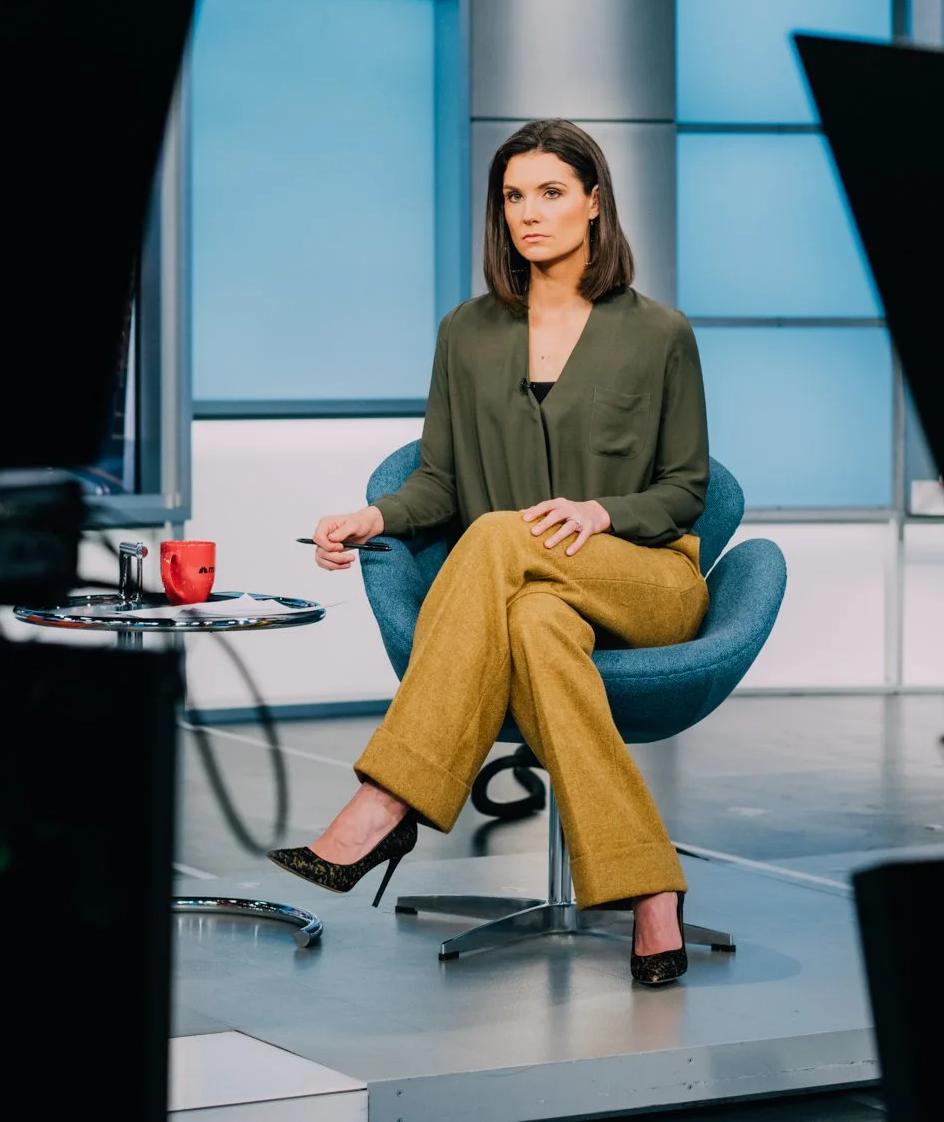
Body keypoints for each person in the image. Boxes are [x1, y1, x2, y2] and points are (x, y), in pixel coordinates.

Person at [268, 119, 711, 988]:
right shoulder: (465, 334)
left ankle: (388, 798)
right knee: (536, 621)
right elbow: (440, 478)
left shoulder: (660, 333)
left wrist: (601, 511)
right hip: (533, 591)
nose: (529, 214)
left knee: (502, 531)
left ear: (594, 201)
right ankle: (652, 890)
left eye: (551, 193)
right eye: (513, 196)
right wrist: (375, 515)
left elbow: (684, 490)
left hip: (647, 578)